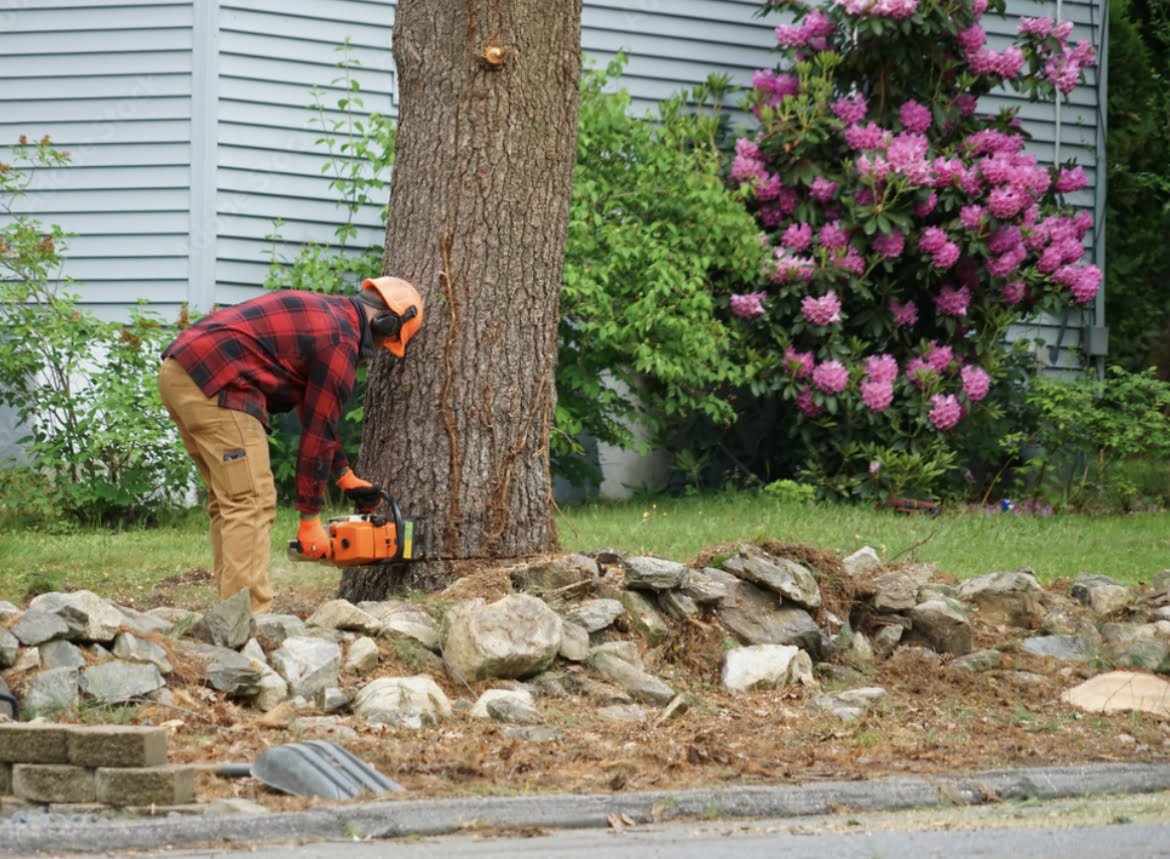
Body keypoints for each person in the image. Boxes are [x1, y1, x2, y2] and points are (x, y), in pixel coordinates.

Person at [157, 277, 423, 614]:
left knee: (231, 501)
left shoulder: (330, 316)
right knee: (251, 501)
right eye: (389, 340)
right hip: (219, 383)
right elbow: (317, 433)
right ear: (385, 322)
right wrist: (309, 519)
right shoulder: (340, 341)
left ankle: (230, 612)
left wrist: (343, 475)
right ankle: (248, 617)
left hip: (181, 372)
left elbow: (315, 412)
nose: (382, 348)